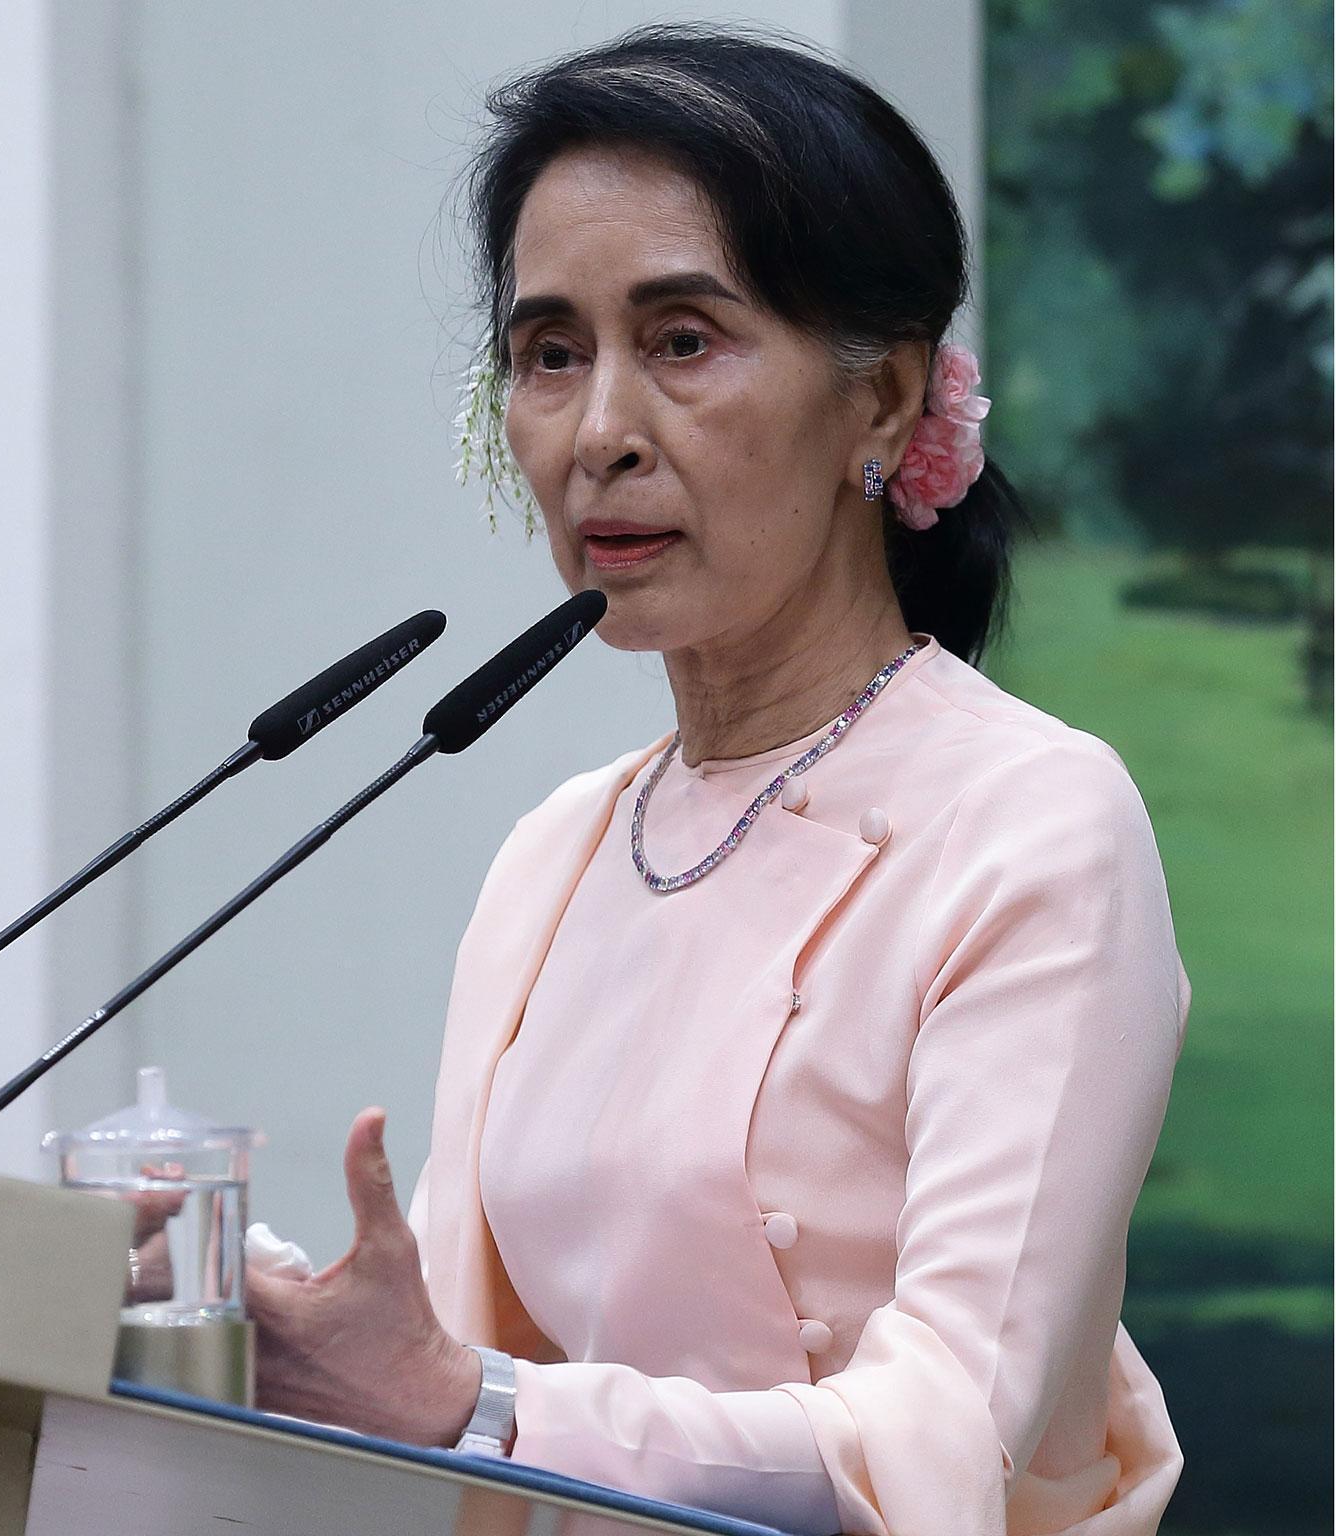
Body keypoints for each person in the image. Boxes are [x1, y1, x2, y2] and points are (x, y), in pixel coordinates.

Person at [243, 26, 1187, 1536]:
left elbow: (944, 1433)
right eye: (552, 355)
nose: (601, 433)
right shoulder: (555, 851)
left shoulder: (1031, 821)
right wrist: (232, 1321)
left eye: (682, 341)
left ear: (880, 403)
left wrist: (471, 1402)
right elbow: (447, 1380)